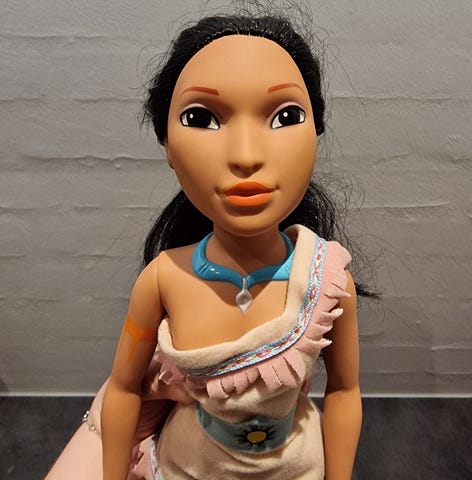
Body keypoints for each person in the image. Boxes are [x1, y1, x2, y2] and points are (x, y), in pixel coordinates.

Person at [47, 13, 363, 480]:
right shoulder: (163, 278)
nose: (246, 155)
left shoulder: (328, 280)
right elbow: (124, 390)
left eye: (286, 116)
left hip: (295, 465)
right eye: (201, 118)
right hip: (188, 463)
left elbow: (344, 391)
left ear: (315, 134)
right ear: (167, 146)